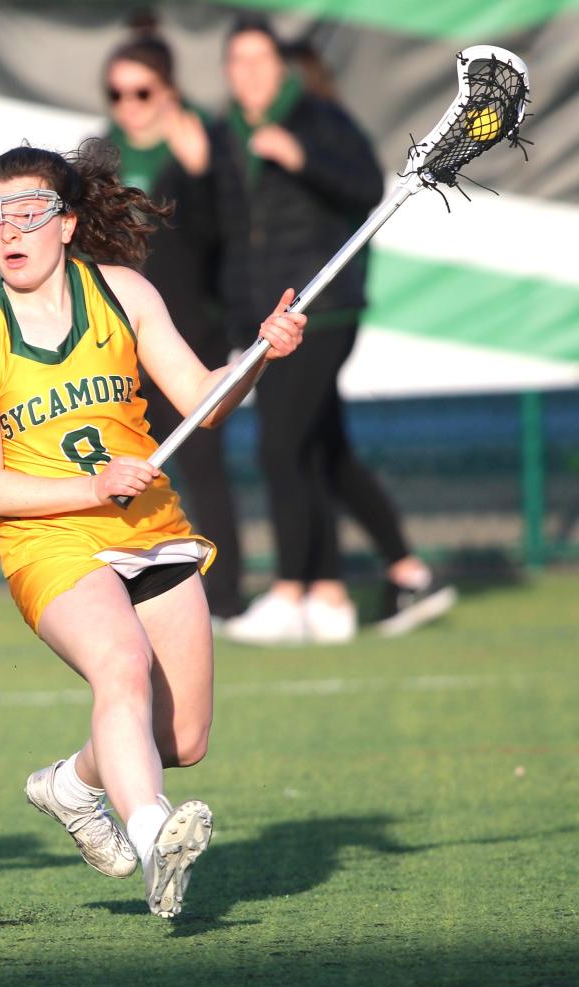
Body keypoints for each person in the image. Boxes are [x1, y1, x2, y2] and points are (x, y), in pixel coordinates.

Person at [0, 143, 305, 917]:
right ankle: (153, 839)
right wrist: (92, 483)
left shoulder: (125, 295)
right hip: (50, 538)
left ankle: (73, 784)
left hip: (150, 524)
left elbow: (206, 400)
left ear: (67, 222)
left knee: (183, 739)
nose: (8, 228)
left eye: (28, 211)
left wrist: (260, 354)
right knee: (121, 665)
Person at [209, 18, 456, 645]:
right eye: (237, 61)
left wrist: (301, 158)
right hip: (269, 318)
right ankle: (392, 576)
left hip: (323, 310)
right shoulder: (223, 134)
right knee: (324, 451)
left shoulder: (317, 120)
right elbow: (236, 240)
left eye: (260, 59)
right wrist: (239, 321)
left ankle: (294, 590)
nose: (249, 73)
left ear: (281, 66)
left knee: (279, 447)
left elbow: (368, 189)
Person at [98, 20, 246, 623]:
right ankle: (129, 589)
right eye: (118, 94)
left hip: (187, 335)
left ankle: (229, 595)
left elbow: (229, 238)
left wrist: (203, 174)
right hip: (121, 340)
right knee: (127, 469)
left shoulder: (200, 146)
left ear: (169, 92)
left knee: (204, 470)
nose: (129, 107)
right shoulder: (101, 157)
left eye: (142, 92)